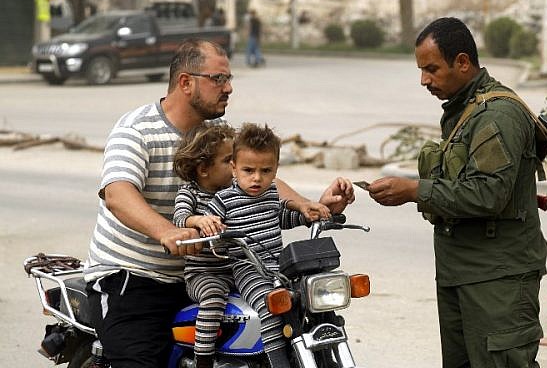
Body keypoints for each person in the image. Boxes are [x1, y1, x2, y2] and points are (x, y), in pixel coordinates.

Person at [83, 38, 354, 368]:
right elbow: (118, 194)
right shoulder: (136, 129)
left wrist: (306, 205)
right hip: (135, 281)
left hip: (205, 272)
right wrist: (167, 231)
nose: (227, 88)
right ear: (186, 82)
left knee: (271, 330)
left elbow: (253, 178)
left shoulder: (215, 134)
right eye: (218, 79)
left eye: (229, 80)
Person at [367, 17, 547, 368]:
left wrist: (414, 190)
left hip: (496, 279)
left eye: (432, 69)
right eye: (421, 70)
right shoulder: (464, 109)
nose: (424, 80)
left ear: (462, 62)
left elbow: (488, 193)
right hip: (462, 272)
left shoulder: (497, 114)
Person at [172, 122, 330, 368]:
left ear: (275, 169)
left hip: (270, 266)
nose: (257, 177)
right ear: (233, 168)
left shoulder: (270, 193)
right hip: (217, 271)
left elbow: (280, 217)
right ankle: (206, 359)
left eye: (266, 170)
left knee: (304, 300)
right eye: (248, 170)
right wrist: (202, 223)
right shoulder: (219, 199)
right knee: (220, 301)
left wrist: (307, 215)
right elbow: (181, 219)